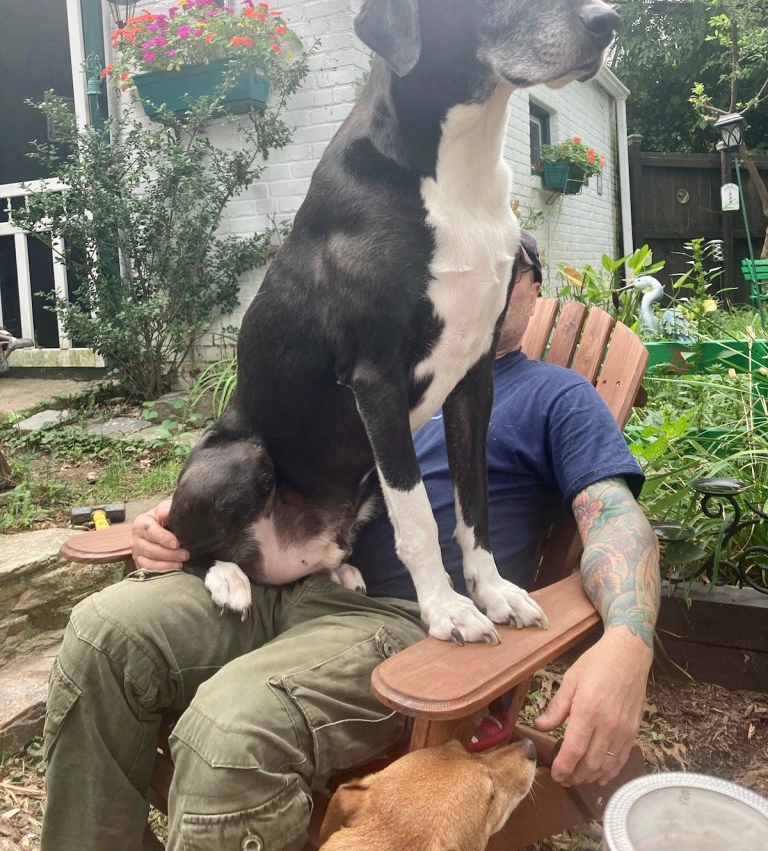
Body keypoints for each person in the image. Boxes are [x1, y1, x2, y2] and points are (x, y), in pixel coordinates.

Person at [41, 231, 660, 851]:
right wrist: (178, 522)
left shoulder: (558, 396)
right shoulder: (366, 381)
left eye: (511, 260)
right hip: (276, 580)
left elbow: (615, 517)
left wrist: (628, 644)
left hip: (402, 625)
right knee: (104, 634)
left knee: (231, 732)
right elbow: (249, 460)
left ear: (533, 286)